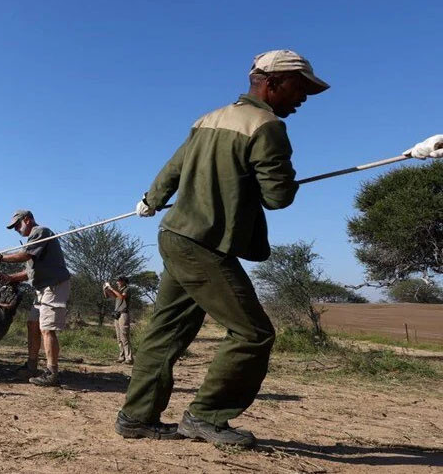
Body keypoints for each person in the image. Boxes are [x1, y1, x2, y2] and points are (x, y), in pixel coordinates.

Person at [116, 50, 330, 446]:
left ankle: (136, 417)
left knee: (166, 331)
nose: (302, 98)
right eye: (299, 88)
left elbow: (172, 170)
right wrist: (283, 179)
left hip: (174, 235)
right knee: (254, 333)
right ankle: (206, 416)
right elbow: (278, 198)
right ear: (271, 83)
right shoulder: (267, 127)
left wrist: (150, 199)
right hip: (204, 246)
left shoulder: (207, 119)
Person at [0, 210, 71, 387]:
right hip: (42, 289)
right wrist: (11, 278)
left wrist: (0, 258)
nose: (16, 230)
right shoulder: (33, 240)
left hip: (54, 286)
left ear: (27, 220)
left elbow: (25, 256)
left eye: (17, 225)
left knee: (47, 328)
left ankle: (52, 372)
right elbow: (29, 272)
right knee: (33, 324)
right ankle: (32, 366)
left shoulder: (40, 232)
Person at [103, 277, 133, 364]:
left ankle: (129, 358)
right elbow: (108, 296)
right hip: (117, 314)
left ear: (124, 281)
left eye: (119, 281)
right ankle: (122, 357)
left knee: (124, 336)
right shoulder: (119, 290)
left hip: (123, 314)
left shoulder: (127, 289)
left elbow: (122, 297)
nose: (117, 282)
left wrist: (112, 288)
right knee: (119, 337)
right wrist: (105, 289)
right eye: (117, 281)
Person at [0, 284, 23, 353]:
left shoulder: (18, 294)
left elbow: (10, 306)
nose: (11, 286)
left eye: (14, 284)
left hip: (8, 317)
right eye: (10, 284)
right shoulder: (4, 289)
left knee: (1, 334)